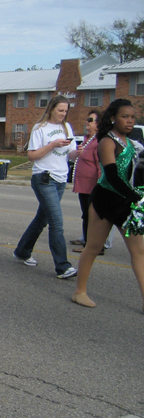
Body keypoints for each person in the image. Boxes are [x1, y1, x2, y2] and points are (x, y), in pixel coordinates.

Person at [72, 100, 144, 308]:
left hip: (126, 202)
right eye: (125, 116)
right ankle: (79, 291)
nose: (130, 121)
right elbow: (111, 175)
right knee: (93, 247)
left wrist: (134, 196)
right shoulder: (107, 141)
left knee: (139, 252)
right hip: (106, 200)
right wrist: (134, 196)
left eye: (132, 117)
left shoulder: (129, 143)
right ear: (113, 118)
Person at [12, 95, 79, 278]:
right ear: (51, 109)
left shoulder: (66, 127)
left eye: (65, 111)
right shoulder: (40, 128)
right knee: (56, 223)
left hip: (61, 178)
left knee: (42, 219)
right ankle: (63, 266)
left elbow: (70, 155)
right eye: (60, 110)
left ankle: (22, 251)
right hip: (44, 178)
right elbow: (32, 155)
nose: (63, 114)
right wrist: (52, 145)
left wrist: (78, 151)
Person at [71, 110, 105, 251]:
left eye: (90, 120)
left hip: (92, 186)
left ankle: (94, 246)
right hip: (83, 186)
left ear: (98, 124)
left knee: (91, 216)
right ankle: (86, 240)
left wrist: (100, 187)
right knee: (86, 214)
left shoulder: (98, 141)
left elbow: (100, 166)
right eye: (87, 119)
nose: (87, 122)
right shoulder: (86, 139)